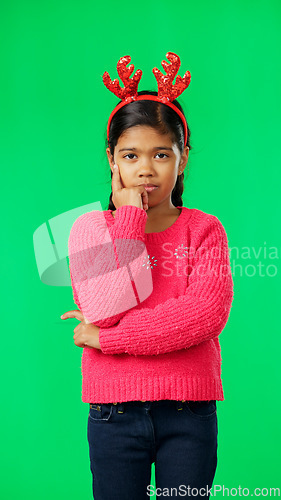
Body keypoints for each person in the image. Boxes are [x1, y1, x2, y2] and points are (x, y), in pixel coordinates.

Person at [61, 52, 234, 500]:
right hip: (113, 415)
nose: (145, 169)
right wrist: (129, 219)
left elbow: (203, 317)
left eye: (161, 154)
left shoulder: (205, 229)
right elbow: (104, 306)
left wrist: (107, 339)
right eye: (130, 155)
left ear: (183, 156)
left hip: (189, 413)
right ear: (112, 158)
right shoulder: (89, 229)